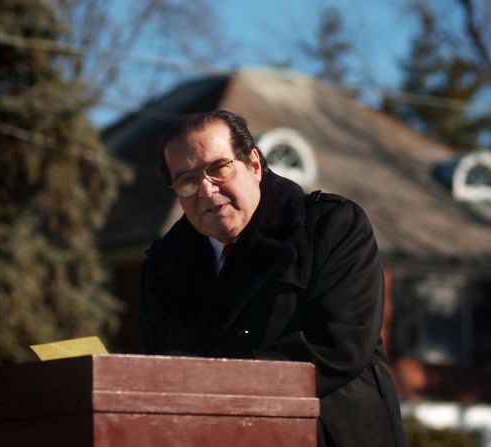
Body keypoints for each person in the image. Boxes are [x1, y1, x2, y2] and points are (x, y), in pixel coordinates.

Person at [140, 110, 406, 447]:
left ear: (253, 164)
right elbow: (159, 368)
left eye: (218, 168)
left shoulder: (329, 227)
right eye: (187, 181)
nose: (206, 190)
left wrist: (217, 384)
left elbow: (340, 346)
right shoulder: (164, 267)